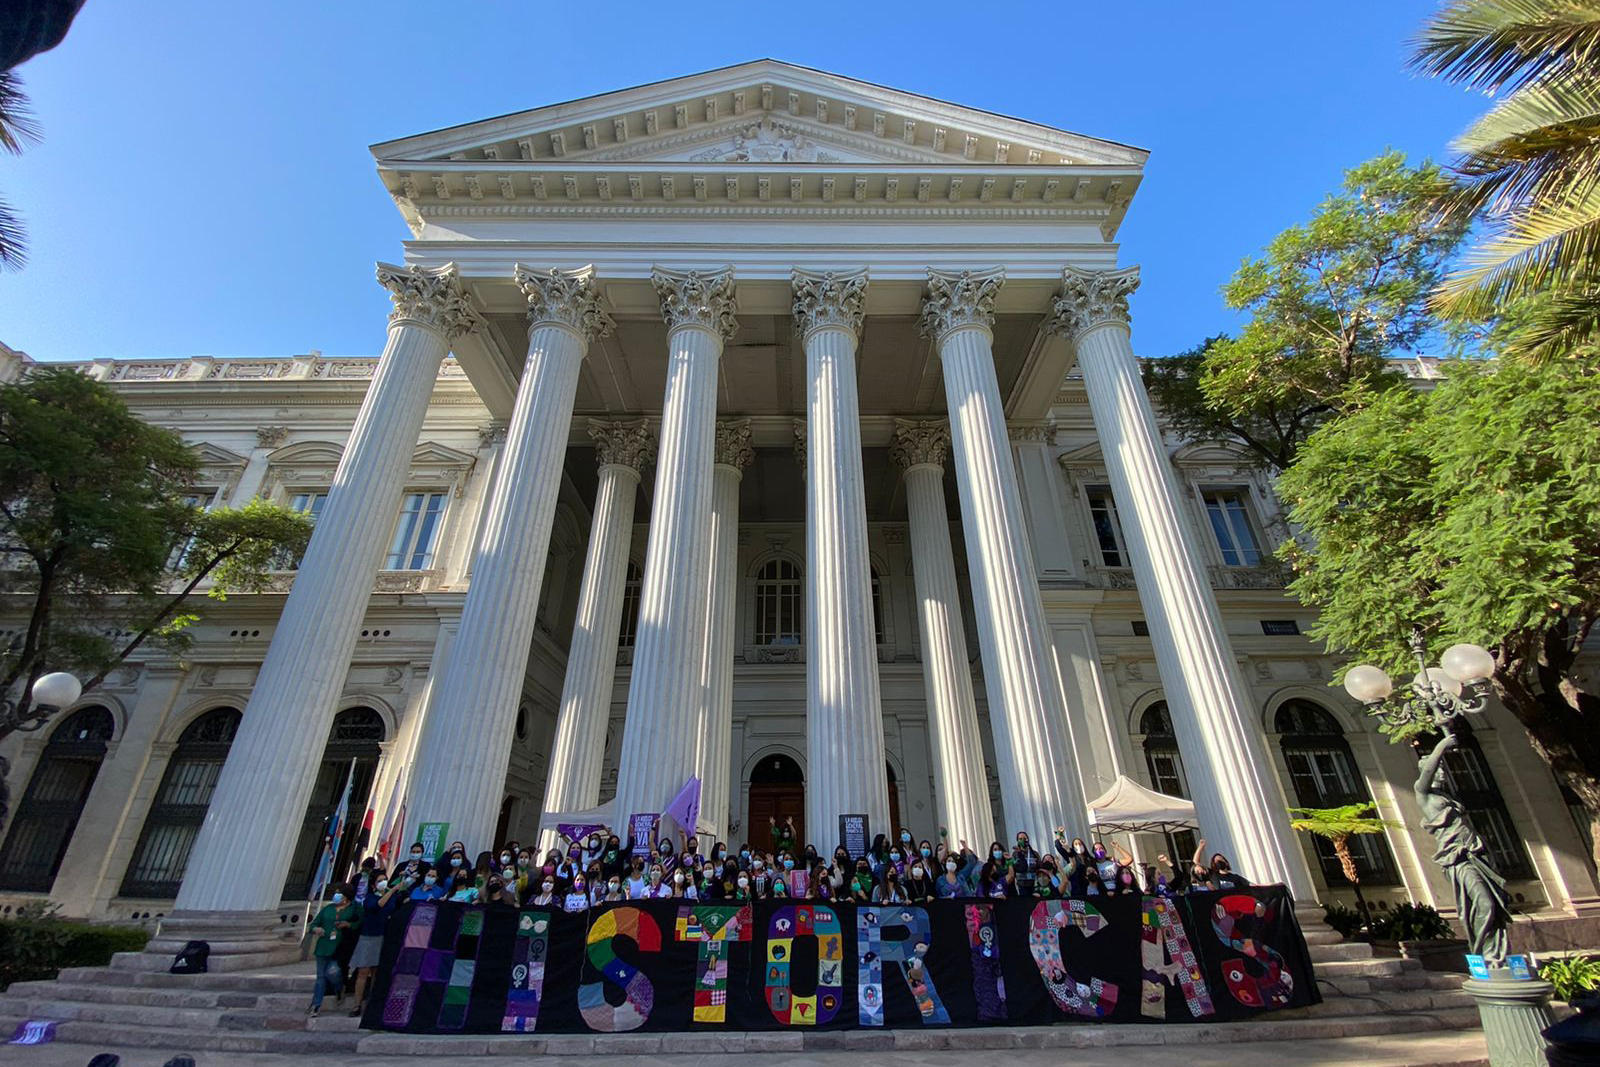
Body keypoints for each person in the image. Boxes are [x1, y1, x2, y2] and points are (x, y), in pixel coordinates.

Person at [346, 874, 401, 1017]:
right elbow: (379, 905)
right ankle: (356, 1005)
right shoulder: (369, 898)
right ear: (373, 884)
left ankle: (372, 1002)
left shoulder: (392, 898)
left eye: (384, 880)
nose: (383, 882)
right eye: (379, 880)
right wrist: (392, 890)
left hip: (384, 936)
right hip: (369, 936)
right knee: (363, 971)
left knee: (377, 972)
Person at [306, 884, 361, 1018]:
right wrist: (315, 929)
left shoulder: (354, 909)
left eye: (339, 894)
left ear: (346, 897)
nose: (336, 896)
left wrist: (348, 925)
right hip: (323, 946)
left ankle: (339, 987)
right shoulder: (328, 909)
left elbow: (359, 923)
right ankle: (316, 1005)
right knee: (320, 977)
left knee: (332, 971)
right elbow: (313, 924)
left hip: (340, 946)